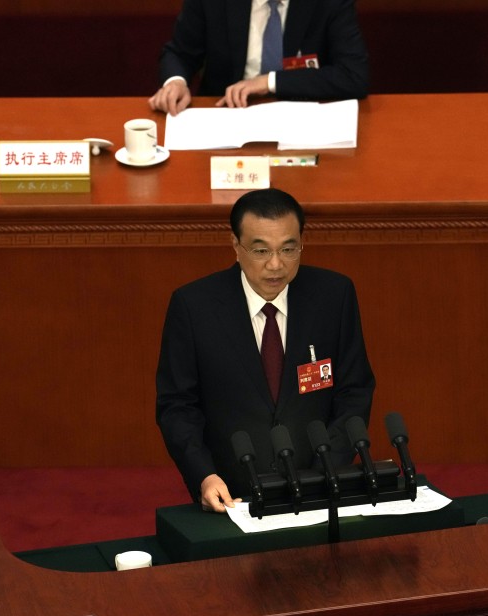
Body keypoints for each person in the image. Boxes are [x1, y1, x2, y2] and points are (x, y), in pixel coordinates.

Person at [155, 188, 375, 511]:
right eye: (261, 251)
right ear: (236, 246)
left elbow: (355, 391)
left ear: (302, 242)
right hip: (232, 497)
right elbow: (177, 406)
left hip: (320, 490)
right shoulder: (194, 307)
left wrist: (326, 471)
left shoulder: (334, 296)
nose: (276, 265)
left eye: (289, 249)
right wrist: (204, 475)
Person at [149, 0, 370, 115]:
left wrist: (268, 82)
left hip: (302, 117)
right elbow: (179, 52)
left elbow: (353, 75)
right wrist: (176, 81)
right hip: (225, 115)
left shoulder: (329, 3)